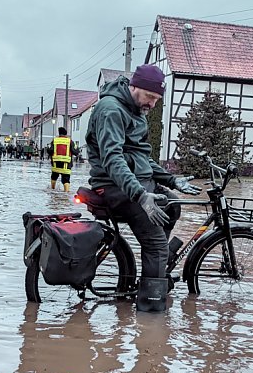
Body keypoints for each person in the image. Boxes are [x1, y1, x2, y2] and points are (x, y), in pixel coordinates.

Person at [85, 64, 201, 313]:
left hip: (138, 183)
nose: (152, 104)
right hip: (114, 186)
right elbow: (113, 160)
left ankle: (155, 269)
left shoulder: (136, 110)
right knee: (156, 245)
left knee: (172, 207)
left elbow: (142, 158)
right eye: (150, 97)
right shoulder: (111, 110)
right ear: (133, 86)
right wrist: (140, 195)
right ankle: (151, 315)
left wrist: (171, 180)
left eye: (157, 99)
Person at [50, 127, 79, 192]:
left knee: (54, 177)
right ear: (66, 134)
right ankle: (66, 193)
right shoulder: (69, 141)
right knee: (66, 179)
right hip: (66, 164)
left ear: (59, 133)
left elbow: (49, 150)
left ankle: (52, 190)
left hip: (55, 164)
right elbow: (76, 152)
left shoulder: (54, 140)